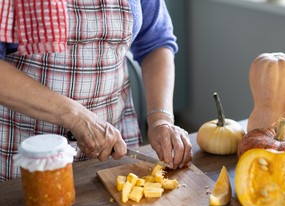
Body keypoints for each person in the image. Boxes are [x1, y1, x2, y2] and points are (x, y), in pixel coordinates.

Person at [0, 0, 192, 181]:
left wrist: (160, 119)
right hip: (26, 150)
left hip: (112, 150)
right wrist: (74, 116)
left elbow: (155, 42)